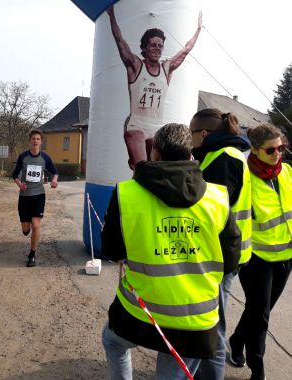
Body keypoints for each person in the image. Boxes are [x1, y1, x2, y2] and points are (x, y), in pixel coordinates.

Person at [101, 123, 241, 379]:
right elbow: (231, 261)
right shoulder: (218, 198)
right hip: (195, 322)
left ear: (154, 153)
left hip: (138, 314)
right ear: (191, 154)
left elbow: (111, 249)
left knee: (113, 341)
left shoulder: (126, 193)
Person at [189, 109, 251, 380]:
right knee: (212, 323)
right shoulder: (227, 155)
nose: (190, 140)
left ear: (204, 134)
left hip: (220, 257)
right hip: (228, 254)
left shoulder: (222, 160)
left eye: (191, 134)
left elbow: (212, 215)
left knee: (212, 328)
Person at [228, 123, 292, 380]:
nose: (278, 153)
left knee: (258, 311)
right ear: (254, 149)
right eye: (271, 150)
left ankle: (236, 340)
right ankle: (258, 369)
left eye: (282, 147)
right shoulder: (245, 177)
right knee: (260, 316)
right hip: (257, 260)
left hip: (285, 257)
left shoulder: (287, 172)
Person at [107, 5, 202, 170]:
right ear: (144, 48)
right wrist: (112, 15)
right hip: (136, 125)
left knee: (157, 170)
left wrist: (199, 30)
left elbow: (186, 50)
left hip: (156, 129)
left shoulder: (166, 69)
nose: (157, 49)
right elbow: (120, 41)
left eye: (160, 46)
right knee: (142, 169)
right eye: (153, 45)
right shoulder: (136, 65)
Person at [11, 130, 59, 267]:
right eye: (33, 139)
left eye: (38, 139)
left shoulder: (45, 158)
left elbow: (55, 172)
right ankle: (28, 230)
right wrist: (19, 183)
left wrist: (54, 180)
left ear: (41, 142)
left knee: (36, 225)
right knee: (26, 230)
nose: (35, 141)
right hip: (24, 197)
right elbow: (14, 174)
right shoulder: (23, 157)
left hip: (39, 195)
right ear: (29, 141)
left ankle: (32, 254)